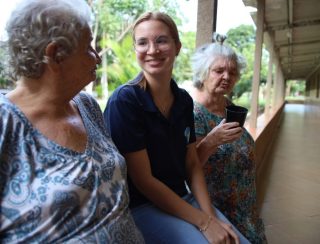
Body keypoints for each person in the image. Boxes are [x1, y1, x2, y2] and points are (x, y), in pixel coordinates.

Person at [0, 0, 144, 243]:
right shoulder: (6, 123)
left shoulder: (87, 106)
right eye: (88, 47)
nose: (97, 58)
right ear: (55, 55)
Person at [104, 12, 250, 244]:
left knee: (235, 240)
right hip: (142, 206)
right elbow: (144, 181)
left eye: (161, 40)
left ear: (177, 46)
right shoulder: (125, 101)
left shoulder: (183, 101)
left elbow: (191, 163)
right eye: (143, 42)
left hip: (182, 198)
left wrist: (211, 217)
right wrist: (204, 223)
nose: (152, 50)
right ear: (135, 49)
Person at [191, 36, 267, 243]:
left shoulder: (229, 106)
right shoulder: (192, 112)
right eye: (218, 71)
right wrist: (211, 141)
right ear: (203, 73)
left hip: (246, 208)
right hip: (217, 212)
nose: (227, 77)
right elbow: (187, 167)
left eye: (232, 72)